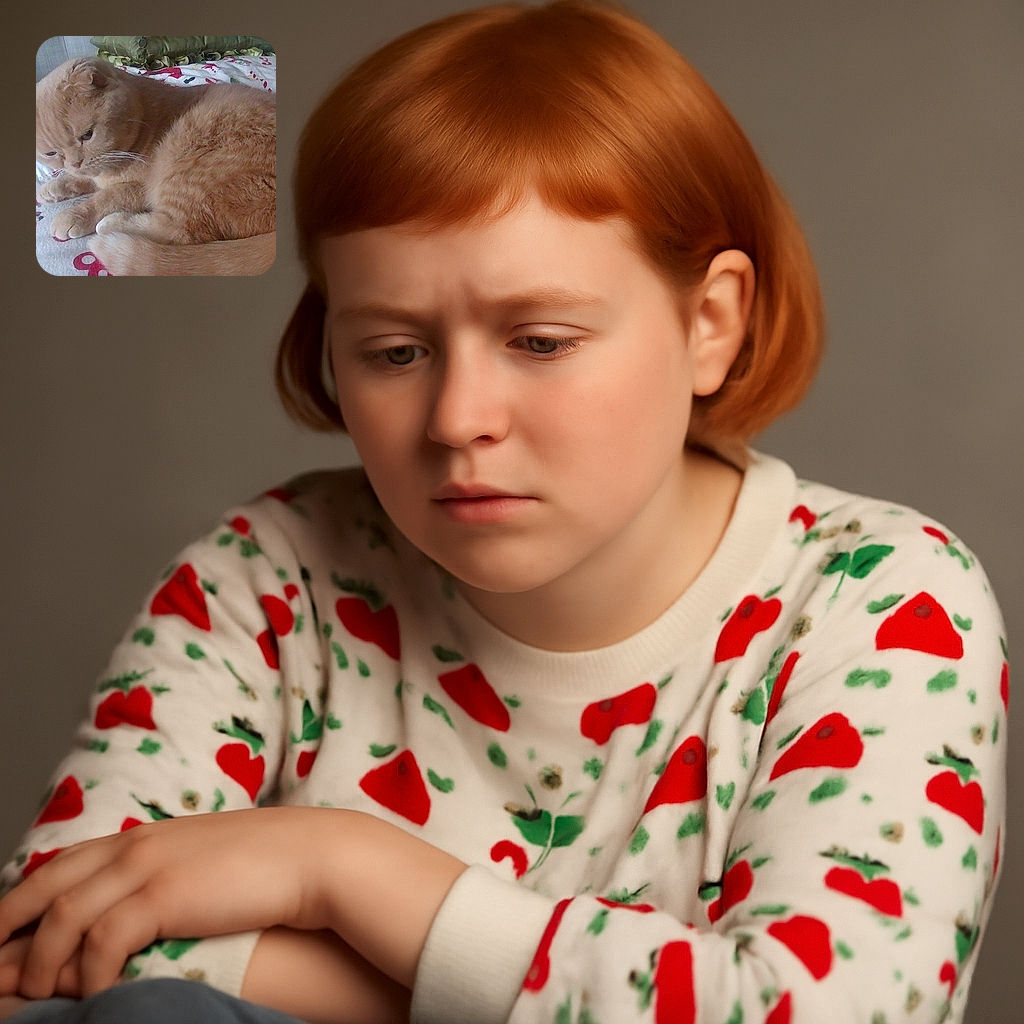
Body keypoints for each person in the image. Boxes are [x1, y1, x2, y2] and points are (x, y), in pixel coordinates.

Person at [0, 2, 1007, 1022]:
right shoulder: (268, 581)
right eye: (395, 351)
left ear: (709, 323)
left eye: (539, 340)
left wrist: (335, 869)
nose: (458, 419)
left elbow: (828, 1010)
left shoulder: (878, 601)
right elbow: (47, 945)